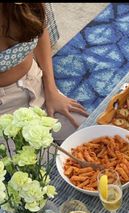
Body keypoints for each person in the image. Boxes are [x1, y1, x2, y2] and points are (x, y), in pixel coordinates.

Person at [0, 3, 89, 142]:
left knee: (90, 136)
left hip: (37, 84)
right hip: (4, 110)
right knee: (41, 162)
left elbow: (40, 30)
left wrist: (51, 90)